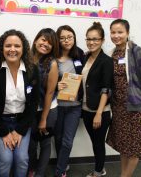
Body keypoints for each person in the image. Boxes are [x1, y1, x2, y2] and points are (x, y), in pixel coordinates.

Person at [0, 29, 39, 177]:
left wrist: (19, 130)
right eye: (8, 46)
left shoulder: (32, 70)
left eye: (17, 46)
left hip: (22, 121)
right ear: (2, 48)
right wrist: (4, 132)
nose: (12, 49)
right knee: (5, 159)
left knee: (22, 159)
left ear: (23, 49)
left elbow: (33, 103)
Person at [106, 19, 141, 177]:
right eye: (113, 32)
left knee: (134, 147)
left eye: (120, 32)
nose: (116, 35)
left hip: (135, 108)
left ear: (127, 33)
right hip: (119, 108)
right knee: (123, 146)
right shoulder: (112, 53)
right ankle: (124, 174)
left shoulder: (136, 51)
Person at [82, 22, 113, 177]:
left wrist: (99, 113)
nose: (91, 42)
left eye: (95, 39)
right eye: (88, 39)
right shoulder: (85, 57)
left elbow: (106, 89)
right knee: (95, 142)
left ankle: (98, 171)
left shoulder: (106, 61)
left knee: (98, 143)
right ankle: (101, 168)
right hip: (86, 109)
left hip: (99, 111)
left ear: (102, 40)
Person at [28, 28, 59, 177]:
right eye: (43, 40)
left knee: (45, 143)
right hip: (30, 109)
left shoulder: (52, 64)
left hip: (48, 109)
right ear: (36, 40)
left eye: (50, 43)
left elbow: (49, 93)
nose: (45, 44)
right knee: (31, 143)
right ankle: (32, 169)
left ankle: (39, 174)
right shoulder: (26, 58)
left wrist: (44, 119)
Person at [54, 25, 84, 177]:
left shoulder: (79, 54)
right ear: (58, 40)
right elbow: (46, 81)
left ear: (74, 38)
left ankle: (59, 172)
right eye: (63, 37)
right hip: (57, 106)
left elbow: (86, 75)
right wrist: (55, 85)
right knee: (58, 139)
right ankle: (63, 163)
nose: (66, 40)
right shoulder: (53, 57)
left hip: (75, 106)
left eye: (70, 37)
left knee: (67, 141)